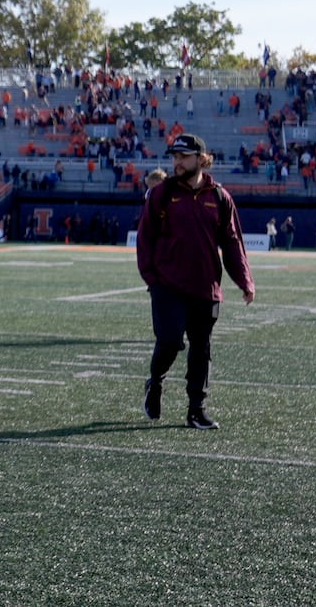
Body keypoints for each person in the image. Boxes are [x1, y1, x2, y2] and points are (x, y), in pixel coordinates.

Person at [136, 133, 254, 431]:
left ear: (201, 159)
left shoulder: (219, 197)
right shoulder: (162, 194)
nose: (177, 162)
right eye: (174, 157)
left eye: (183, 157)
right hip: (168, 285)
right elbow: (145, 237)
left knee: (201, 348)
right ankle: (156, 381)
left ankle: (196, 410)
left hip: (206, 286)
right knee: (171, 341)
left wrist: (244, 280)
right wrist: (151, 277)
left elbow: (231, 242)